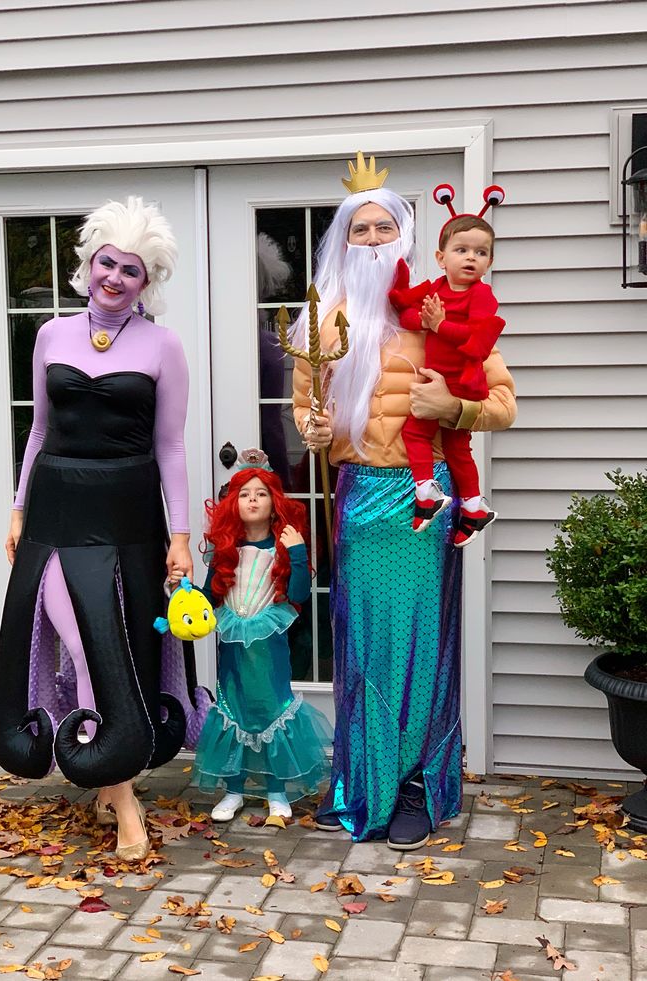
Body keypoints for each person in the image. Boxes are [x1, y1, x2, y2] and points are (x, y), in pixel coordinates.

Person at [290, 153, 516, 849]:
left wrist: (453, 404)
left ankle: (417, 783)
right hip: (357, 494)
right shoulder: (322, 320)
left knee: (419, 641)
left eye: (384, 226)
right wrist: (316, 430)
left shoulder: (441, 308)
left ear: (407, 236)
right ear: (343, 239)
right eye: (360, 229)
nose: (372, 239)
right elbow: (307, 411)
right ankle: (363, 784)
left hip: (422, 499)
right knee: (363, 644)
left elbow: (501, 404)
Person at [0, 197, 193, 862]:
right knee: (81, 643)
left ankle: (110, 775)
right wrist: (18, 507)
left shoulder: (164, 345)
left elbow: (171, 447)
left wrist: (182, 534)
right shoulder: (50, 335)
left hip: (128, 515)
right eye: (107, 261)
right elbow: (40, 429)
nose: (114, 276)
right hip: (55, 511)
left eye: (130, 269)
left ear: (147, 280)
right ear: (89, 263)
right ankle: (124, 797)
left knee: (121, 644)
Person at [191, 449, 332, 821]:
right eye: (244, 494)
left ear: (274, 504)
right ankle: (234, 789)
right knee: (233, 708)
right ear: (233, 504)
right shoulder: (226, 550)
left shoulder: (282, 547)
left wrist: (298, 554)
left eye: (261, 493)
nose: (252, 499)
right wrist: (183, 597)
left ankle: (275, 789)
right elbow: (208, 598)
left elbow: (299, 595)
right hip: (233, 643)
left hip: (269, 643)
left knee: (271, 710)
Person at [388, 185, 506, 546]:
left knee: (415, 431)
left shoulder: (481, 294)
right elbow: (410, 314)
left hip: (458, 381)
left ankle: (426, 489)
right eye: (462, 250)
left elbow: (478, 335)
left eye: (480, 252)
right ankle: (473, 506)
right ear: (441, 258)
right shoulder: (436, 289)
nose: (471, 258)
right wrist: (423, 320)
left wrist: (440, 325)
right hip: (444, 376)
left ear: (489, 262)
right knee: (457, 448)